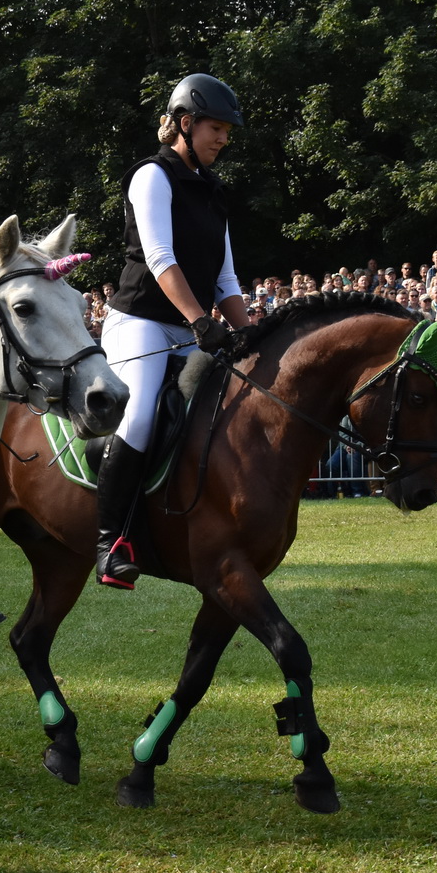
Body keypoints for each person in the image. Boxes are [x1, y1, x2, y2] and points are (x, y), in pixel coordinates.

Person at [95, 73, 250, 589]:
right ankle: (110, 540)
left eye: (228, 131)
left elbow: (224, 277)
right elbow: (160, 258)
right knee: (139, 416)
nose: (223, 139)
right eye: (216, 128)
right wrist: (201, 321)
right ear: (185, 124)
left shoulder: (212, 190)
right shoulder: (152, 177)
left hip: (189, 328)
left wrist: (249, 333)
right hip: (139, 323)